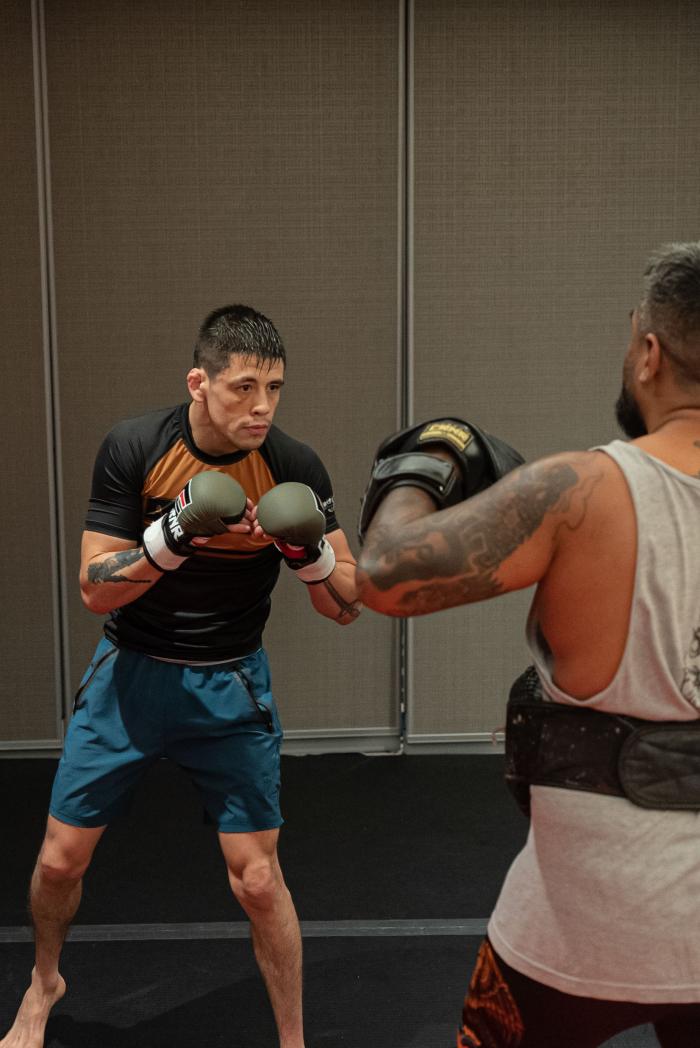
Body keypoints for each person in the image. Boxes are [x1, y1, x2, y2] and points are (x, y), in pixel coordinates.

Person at [355, 244, 700, 1047]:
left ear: (649, 352)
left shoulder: (579, 494)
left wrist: (432, 458)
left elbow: (383, 576)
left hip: (581, 921)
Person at [1, 304, 360, 1048]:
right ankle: (43, 985)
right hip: (131, 675)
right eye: (244, 388)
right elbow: (95, 587)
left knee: (259, 881)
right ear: (200, 382)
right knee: (59, 860)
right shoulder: (137, 447)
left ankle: (294, 1042)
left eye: (276, 389)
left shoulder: (293, 466)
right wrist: (175, 534)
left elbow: (345, 607)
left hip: (230, 685)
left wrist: (307, 553)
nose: (262, 407)